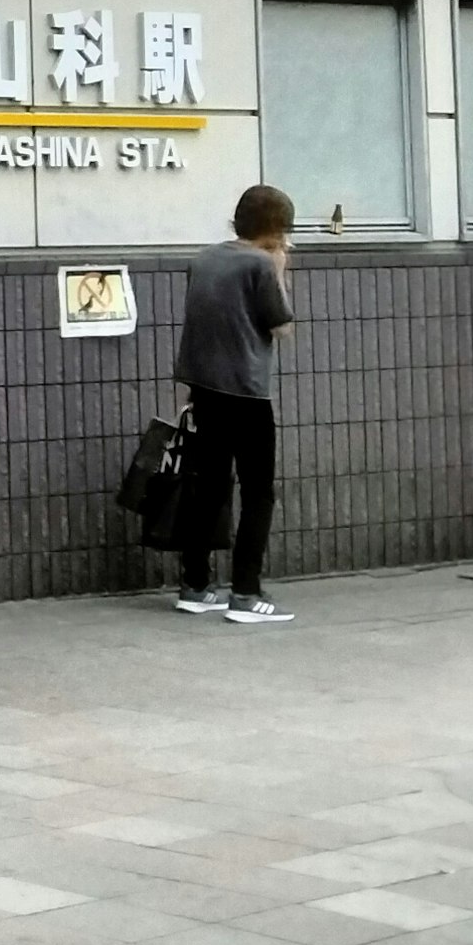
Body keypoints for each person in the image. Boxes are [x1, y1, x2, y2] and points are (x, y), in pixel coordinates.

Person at [172, 185, 297, 626]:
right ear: (278, 229)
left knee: (209, 487)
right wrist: (279, 269)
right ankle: (245, 592)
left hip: (204, 387)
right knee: (259, 491)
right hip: (247, 391)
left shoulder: (204, 259)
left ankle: (195, 585)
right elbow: (281, 327)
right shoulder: (261, 264)